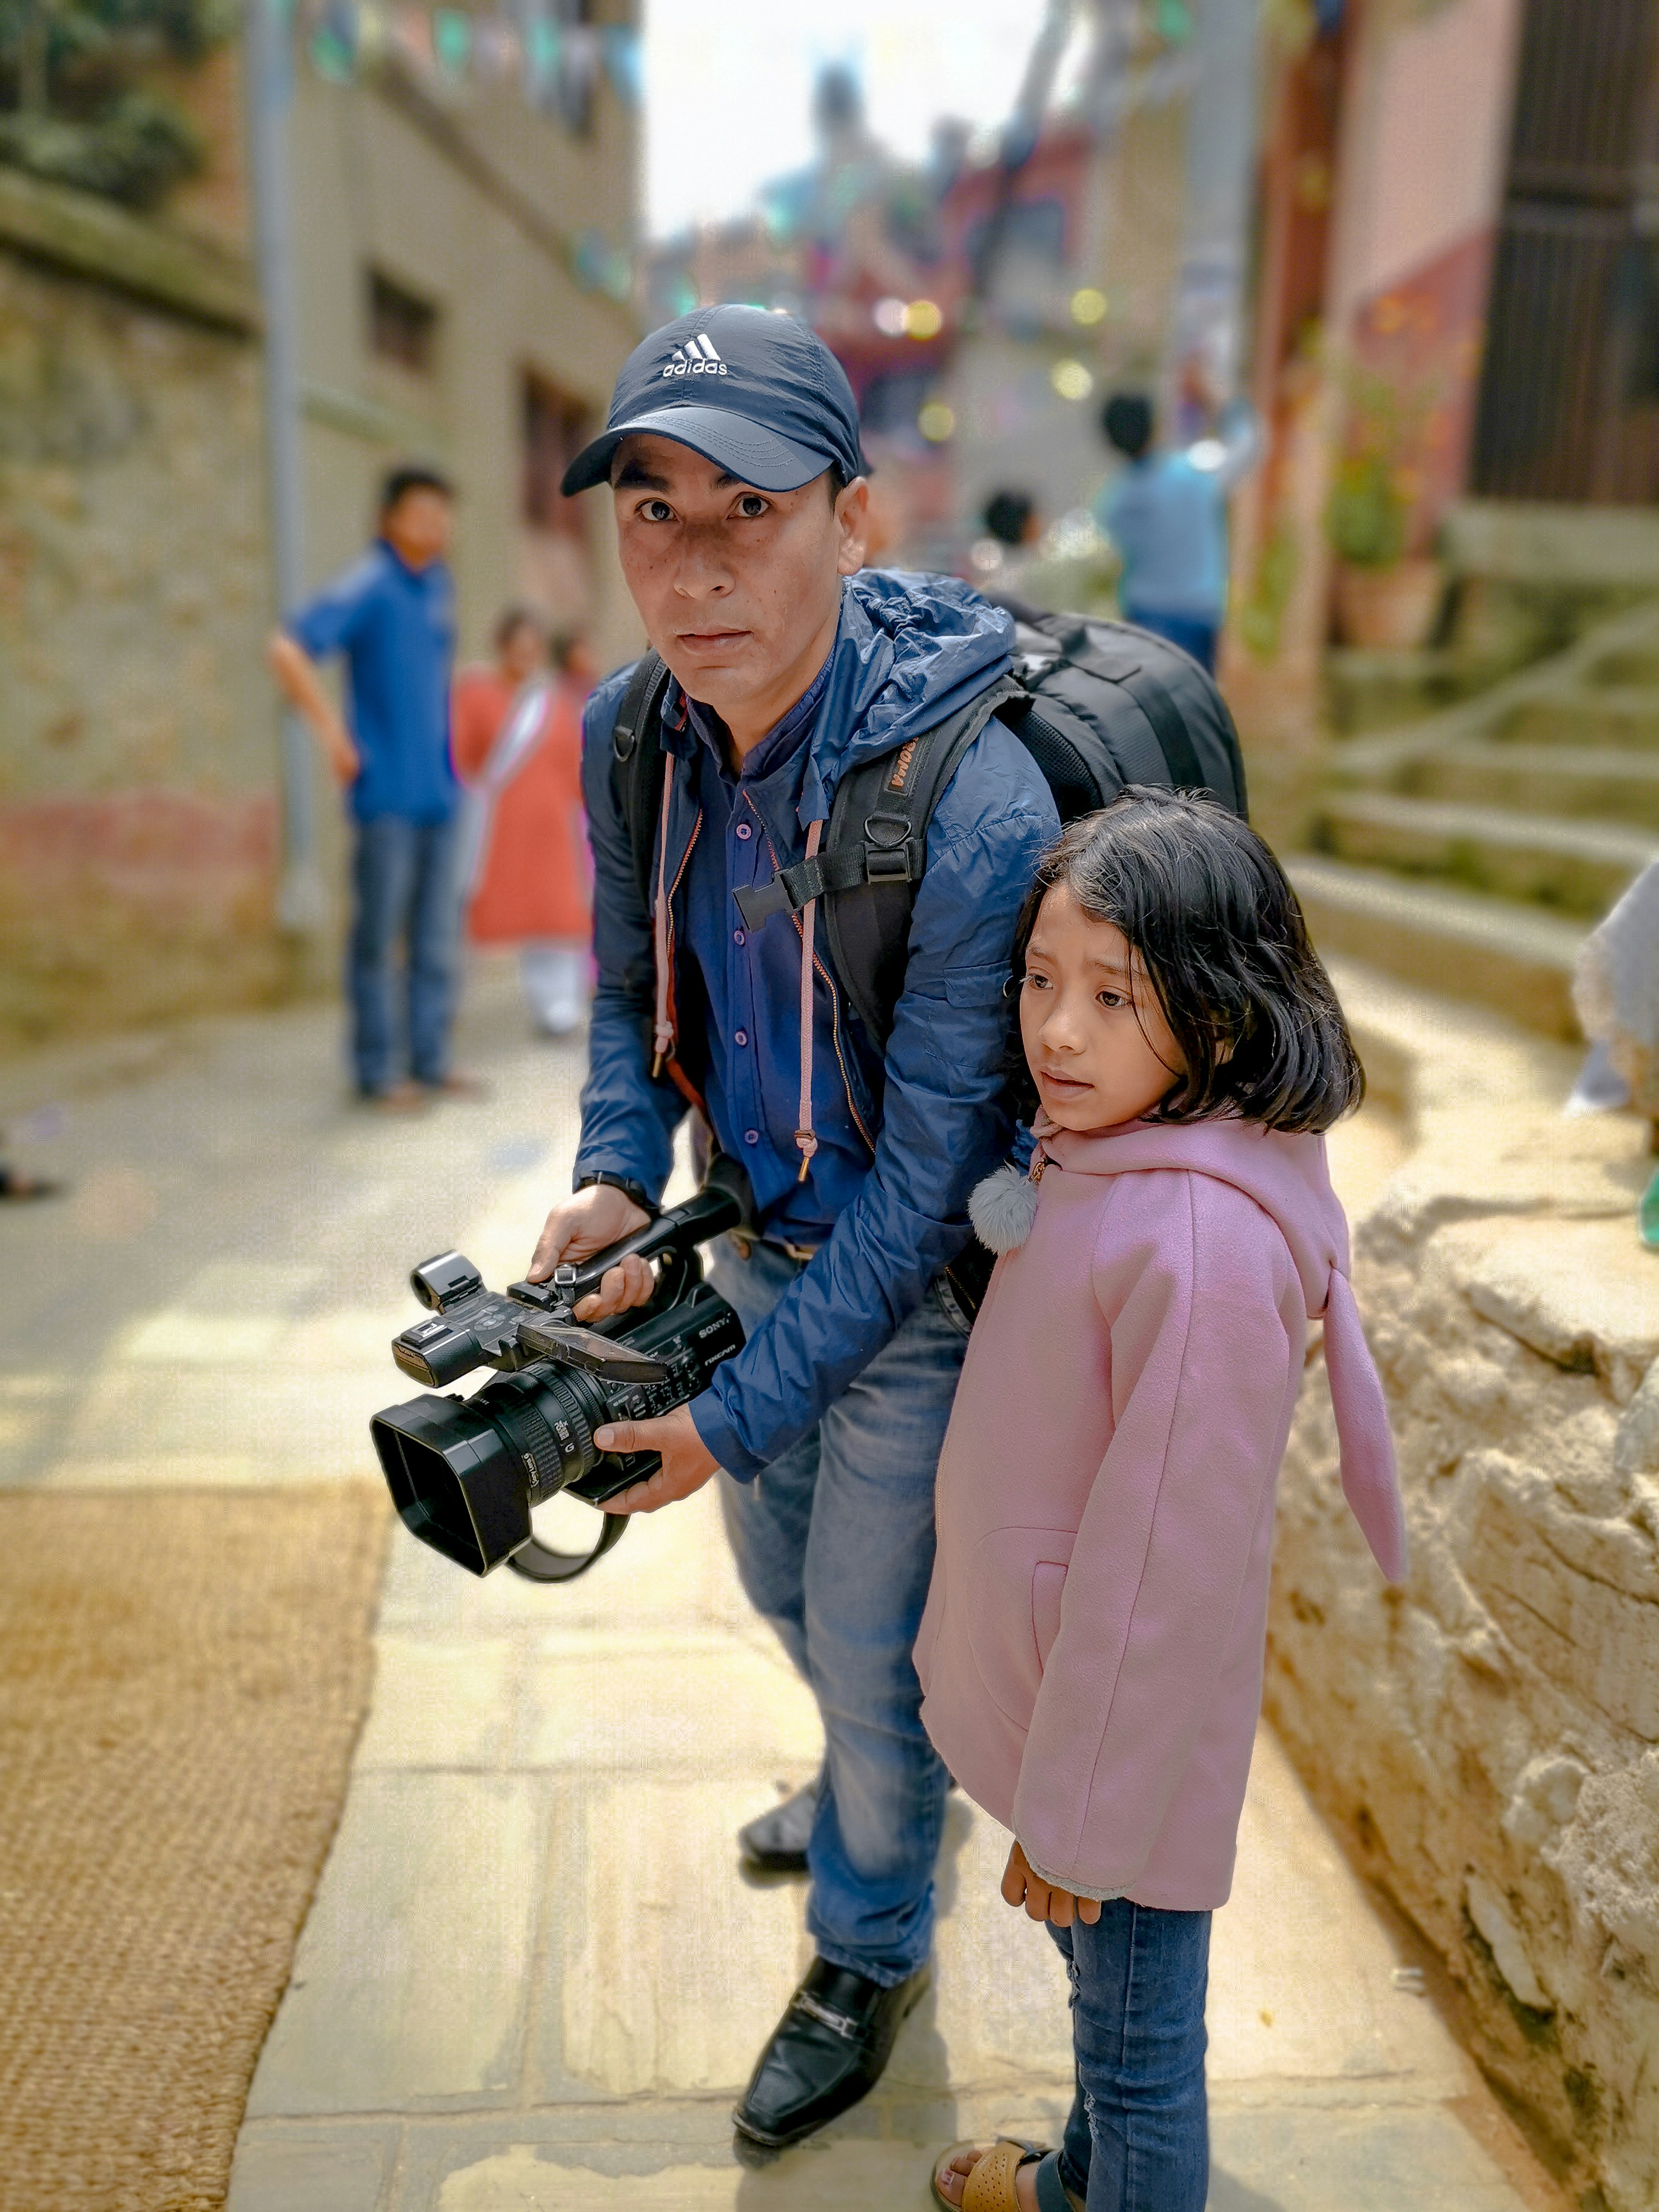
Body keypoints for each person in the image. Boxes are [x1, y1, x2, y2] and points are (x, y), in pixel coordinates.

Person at [523, 303, 1059, 2149]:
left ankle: (869, 1937)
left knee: (869, 1635)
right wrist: (614, 1169)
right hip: (746, 1249)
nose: (693, 562)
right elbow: (625, 993)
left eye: (748, 506)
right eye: (652, 511)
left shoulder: (967, 796)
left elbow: (922, 1194)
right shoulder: (633, 740)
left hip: (911, 1283)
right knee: (779, 1592)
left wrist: (722, 1421)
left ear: (854, 516)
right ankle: (868, 1778)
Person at [916, 791, 1407, 2212]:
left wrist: (1077, 1816)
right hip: (1073, 1721)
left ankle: (1105, 2175)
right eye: (1038, 979)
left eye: (1112, 996)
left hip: (1112, 1758)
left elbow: (1159, 1575)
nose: (1056, 1031)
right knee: (1104, 2022)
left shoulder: (1194, 1248)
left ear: (1214, 1011)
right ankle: (1078, 2176)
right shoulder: (1116, 1152)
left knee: (1137, 2062)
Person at [268, 463, 476, 1109]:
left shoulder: (437, 584)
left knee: (437, 936)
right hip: (385, 794)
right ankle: (378, 1070)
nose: (436, 524)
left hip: (440, 792)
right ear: (390, 519)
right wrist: (334, 737)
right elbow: (288, 649)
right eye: (422, 512)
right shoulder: (371, 583)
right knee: (378, 937)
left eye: (443, 513)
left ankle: (431, 1059)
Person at [452, 611, 595, 1037]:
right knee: (468, 914)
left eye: (533, 645)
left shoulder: (552, 702)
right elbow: (462, 755)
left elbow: (573, 760)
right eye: (518, 643)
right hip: (498, 828)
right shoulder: (475, 694)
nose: (525, 653)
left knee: (556, 917)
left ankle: (558, 1005)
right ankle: (443, 1004)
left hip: (551, 826)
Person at [1094, 391, 1258, 674]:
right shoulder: (1195, 476)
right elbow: (1248, 444)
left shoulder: (1113, 502)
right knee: (1195, 704)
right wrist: (1215, 395)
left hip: (1142, 616)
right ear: (1156, 425)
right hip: (1197, 615)